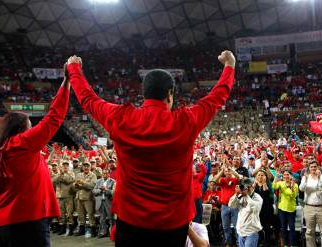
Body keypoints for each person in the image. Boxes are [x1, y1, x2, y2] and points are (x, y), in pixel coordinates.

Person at [67, 50, 236, 246]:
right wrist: (229, 65)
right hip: (172, 224)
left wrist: (74, 69)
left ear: (144, 93)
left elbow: (88, 100)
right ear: (170, 94)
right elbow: (217, 97)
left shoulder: (121, 119)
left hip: (131, 221)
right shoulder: (185, 121)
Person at [0, 69, 70, 247]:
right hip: (29, 224)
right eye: (29, 127)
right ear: (20, 130)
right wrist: (66, 82)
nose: (31, 130)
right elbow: (54, 117)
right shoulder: (22, 143)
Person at [299, 161, 322, 247]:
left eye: (315, 166)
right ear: (309, 168)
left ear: (318, 167)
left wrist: (318, 178)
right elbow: (301, 188)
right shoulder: (305, 177)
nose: (313, 168)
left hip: (321, 207)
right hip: (309, 207)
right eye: (311, 167)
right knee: (309, 232)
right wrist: (306, 180)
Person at [229, 178, 263, 247]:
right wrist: (236, 194)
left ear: (251, 186)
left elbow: (255, 208)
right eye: (244, 187)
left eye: (247, 187)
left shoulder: (257, 197)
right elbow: (231, 205)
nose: (245, 189)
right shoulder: (240, 196)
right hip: (241, 231)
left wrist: (246, 196)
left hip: (251, 231)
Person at [213, 166, 240, 247]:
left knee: (236, 226)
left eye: (229, 171)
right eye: (226, 171)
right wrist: (222, 170)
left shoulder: (234, 180)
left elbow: (238, 177)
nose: (227, 172)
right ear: (224, 173)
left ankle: (238, 243)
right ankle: (228, 242)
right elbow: (214, 180)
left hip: (234, 206)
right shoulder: (222, 180)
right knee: (225, 226)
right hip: (224, 206)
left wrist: (231, 170)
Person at [273, 170, 298, 247]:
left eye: (287, 174)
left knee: (292, 227)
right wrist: (276, 177)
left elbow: (292, 195)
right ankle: (286, 244)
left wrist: (290, 186)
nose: (286, 176)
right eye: (284, 175)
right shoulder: (280, 183)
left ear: (291, 176)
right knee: (283, 227)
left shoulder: (295, 185)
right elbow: (274, 186)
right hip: (282, 208)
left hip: (291, 209)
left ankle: (292, 244)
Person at [73, 162, 97, 237]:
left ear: (90, 167)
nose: (86, 167)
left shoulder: (93, 175)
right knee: (81, 215)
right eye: (84, 166)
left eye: (87, 166)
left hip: (88, 198)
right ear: (82, 167)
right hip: (79, 197)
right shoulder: (79, 175)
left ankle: (93, 230)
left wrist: (83, 183)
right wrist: (76, 184)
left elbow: (92, 186)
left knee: (90, 215)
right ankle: (81, 230)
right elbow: (74, 186)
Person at [52, 161, 75, 236]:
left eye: (66, 165)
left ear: (68, 167)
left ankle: (70, 229)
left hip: (68, 195)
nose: (65, 166)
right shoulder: (58, 174)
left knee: (69, 213)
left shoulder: (71, 173)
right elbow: (53, 181)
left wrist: (63, 175)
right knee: (61, 214)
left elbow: (69, 181)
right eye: (63, 165)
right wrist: (60, 175)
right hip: (59, 196)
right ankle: (62, 228)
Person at [253, 169, 275, 247]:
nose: (260, 176)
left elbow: (266, 193)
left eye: (262, 175)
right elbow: (251, 194)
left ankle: (267, 242)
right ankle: (259, 242)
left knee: (267, 227)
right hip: (257, 210)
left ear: (265, 176)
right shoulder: (254, 185)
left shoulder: (269, 184)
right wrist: (254, 183)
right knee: (257, 227)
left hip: (267, 209)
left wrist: (264, 183)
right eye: (258, 175)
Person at [92, 169, 116, 238]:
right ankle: (103, 232)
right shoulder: (98, 181)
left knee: (111, 218)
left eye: (106, 173)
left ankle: (112, 233)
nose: (104, 174)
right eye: (103, 173)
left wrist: (106, 190)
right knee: (102, 218)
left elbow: (113, 193)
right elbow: (93, 191)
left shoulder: (113, 181)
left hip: (108, 202)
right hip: (100, 202)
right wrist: (100, 190)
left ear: (109, 174)